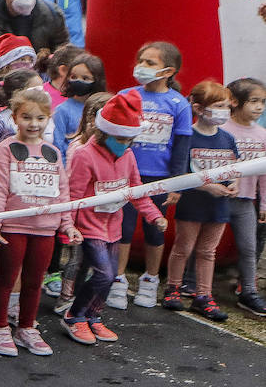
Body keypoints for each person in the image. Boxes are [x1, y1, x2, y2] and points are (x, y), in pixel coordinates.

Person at [64, 91, 167, 344]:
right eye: (120, 138)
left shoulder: (128, 156)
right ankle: (74, 315)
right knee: (104, 274)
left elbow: (137, 191)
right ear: (104, 132)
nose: (124, 143)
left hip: (113, 226)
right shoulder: (84, 155)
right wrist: (67, 226)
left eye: (129, 139)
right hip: (88, 227)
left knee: (111, 277)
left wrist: (154, 216)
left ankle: (93, 316)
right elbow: (73, 194)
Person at [0, 89, 80, 356]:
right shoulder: (6, 149)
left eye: (40, 118)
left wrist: (67, 224)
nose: (33, 124)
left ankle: (26, 327)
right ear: (15, 117)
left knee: (35, 280)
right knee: (6, 278)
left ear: (48, 118)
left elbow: (63, 191)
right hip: (13, 227)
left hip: (45, 228)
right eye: (26, 117)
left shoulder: (52, 152)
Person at [114, 41, 191, 309]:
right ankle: (118, 279)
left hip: (158, 178)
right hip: (125, 175)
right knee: (122, 228)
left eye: (150, 63)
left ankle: (150, 280)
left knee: (154, 230)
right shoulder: (126, 95)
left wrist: (175, 184)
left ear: (168, 71)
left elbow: (182, 147)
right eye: (141, 61)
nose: (142, 67)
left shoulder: (178, 104)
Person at [160, 80, 239, 321]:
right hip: (192, 203)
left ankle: (203, 295)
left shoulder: (227, 138)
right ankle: (173, 288)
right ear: (198, 107)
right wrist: (208, 187)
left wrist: (234, 184)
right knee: (184, 246)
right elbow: (182, 171)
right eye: (218, 105)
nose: (223, 111)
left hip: (219, 206)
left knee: (208, 251)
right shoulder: (188, 136)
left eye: (226, 106)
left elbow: (235, 168)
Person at [224, 79, 266, 315]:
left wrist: (263, 204)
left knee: (249, 248)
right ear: (235, 101)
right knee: (204, 245)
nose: (259, 107)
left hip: (246, 201)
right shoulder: (223, 129)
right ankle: (191, 283)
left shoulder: (262, 135)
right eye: (253, 101)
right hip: (219, 199)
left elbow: (263, 175)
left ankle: (248, 290)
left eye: (262, 102)